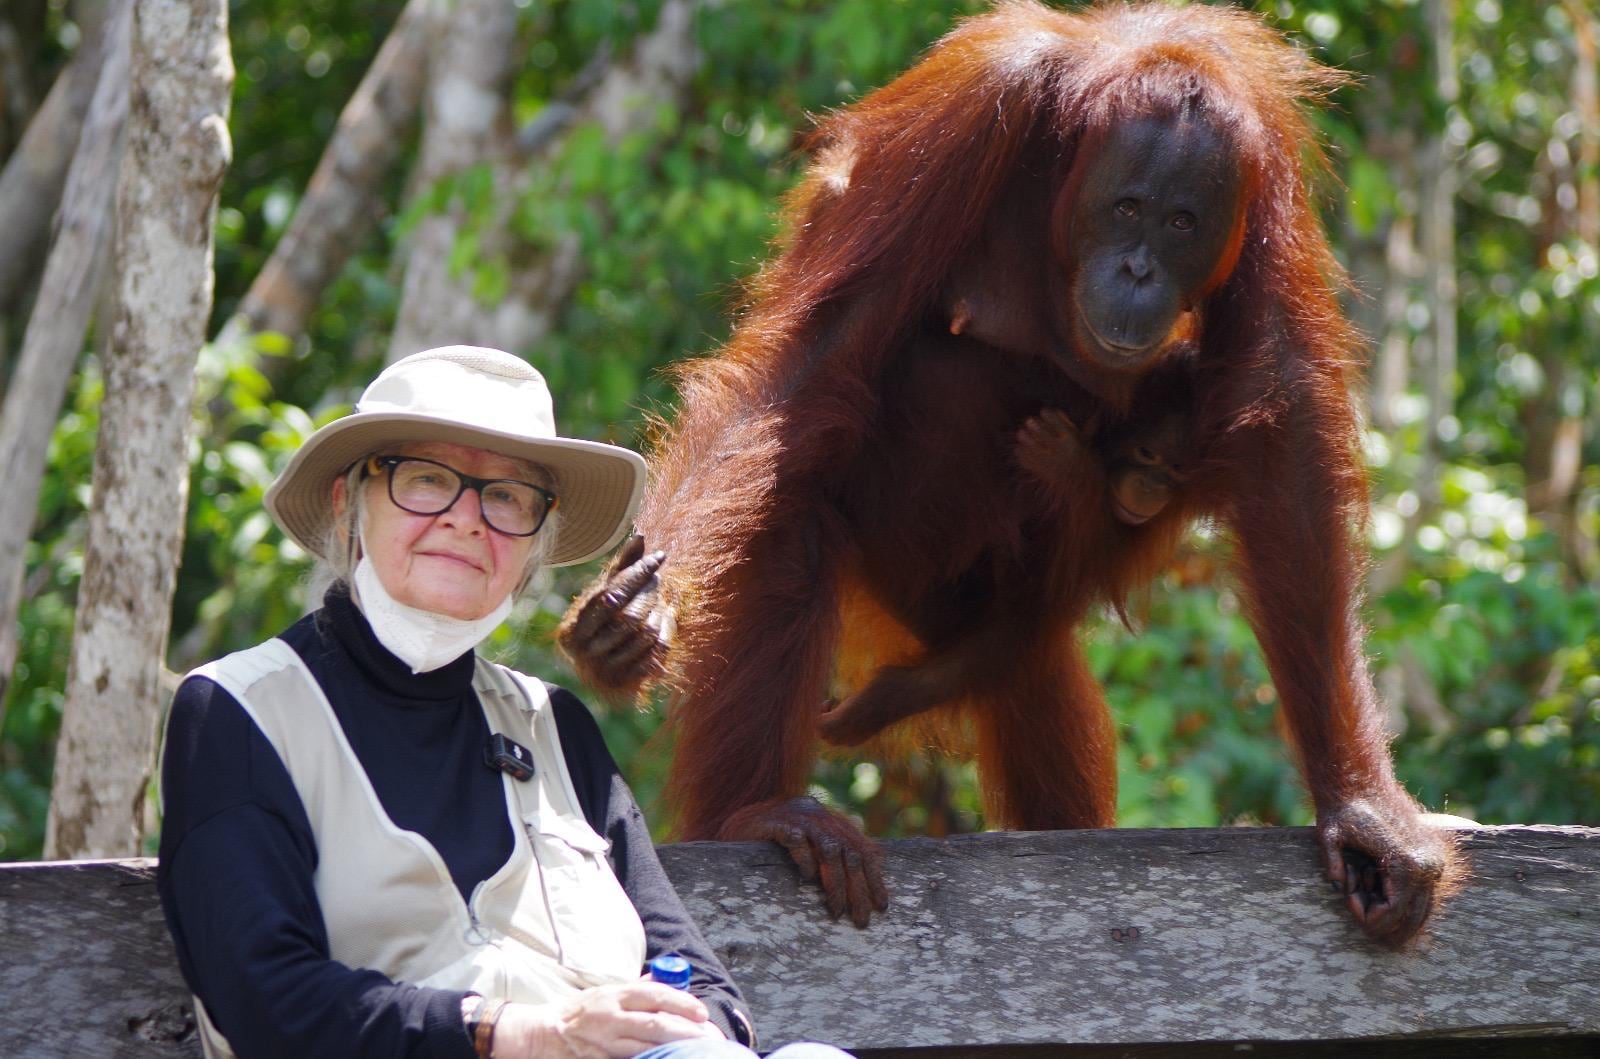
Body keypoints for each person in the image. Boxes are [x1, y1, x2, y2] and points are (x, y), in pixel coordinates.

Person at [157, 345, 851, 1059]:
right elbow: (264, 1001)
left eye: (506, 497)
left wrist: (693, 1027)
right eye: (426, 480)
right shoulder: (240, 713)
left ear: (534, 547)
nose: (467, 518)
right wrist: (522, 1031)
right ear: (348, 502)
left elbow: (699, 975)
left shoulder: (554, 727)